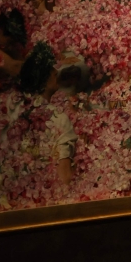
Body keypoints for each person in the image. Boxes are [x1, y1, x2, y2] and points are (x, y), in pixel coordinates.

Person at [15, 43, 79, 185]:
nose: (56, 72)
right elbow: (64, 176)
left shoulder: (19, 116)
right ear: (42, 80)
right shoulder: (59, 119)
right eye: (50, 70)